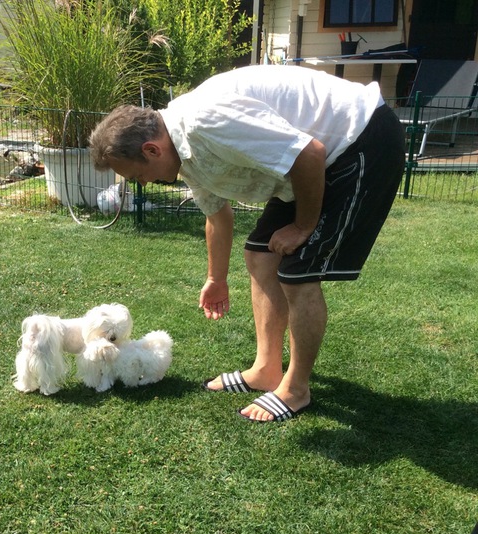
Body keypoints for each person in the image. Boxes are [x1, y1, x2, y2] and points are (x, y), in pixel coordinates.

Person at [89, 64, 405, 422]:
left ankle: (296, 389)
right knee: (260, 254)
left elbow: (309, 153)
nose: (143, 183)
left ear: (151, 150)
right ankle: (267, 370)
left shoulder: (205, 122)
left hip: (360, 139)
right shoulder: (182, 150)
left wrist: (303, 226)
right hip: (309, 164)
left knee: (297, 270)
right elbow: (217, 215)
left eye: (137, 175)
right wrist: (216, 279)